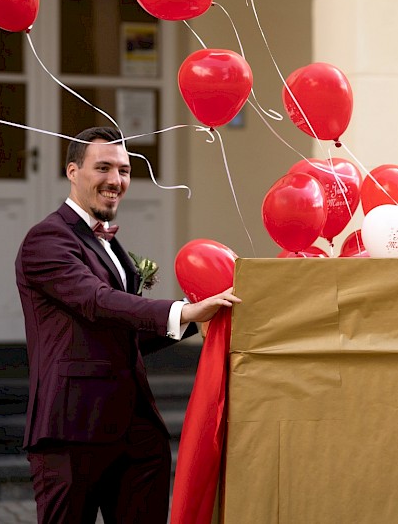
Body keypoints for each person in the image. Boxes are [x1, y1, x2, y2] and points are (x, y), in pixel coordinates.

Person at [15, 126, 240, 524]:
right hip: (72, 430)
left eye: (124, 170)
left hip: (135, 434)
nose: (115, 180)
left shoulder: (112, 246)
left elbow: (123, 332)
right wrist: (184, 311)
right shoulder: (45, 240)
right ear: (72, 171)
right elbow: (95, 301)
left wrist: (199, 321)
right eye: (103, 168)